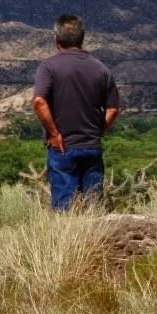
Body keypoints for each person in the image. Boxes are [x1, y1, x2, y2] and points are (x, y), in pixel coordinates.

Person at [32, 14, 120, 210]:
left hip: (62, 148)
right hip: (92, 146)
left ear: (56, 39)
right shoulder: (101, 69)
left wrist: (54, 134)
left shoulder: (48, 67)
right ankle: (96, 240)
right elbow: (113, 109)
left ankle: (68, 241)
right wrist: (99, 131)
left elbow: (39, 101)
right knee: (94, 207)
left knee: (64, 209)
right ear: (82, 38)